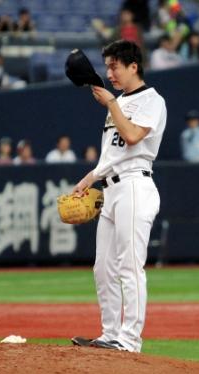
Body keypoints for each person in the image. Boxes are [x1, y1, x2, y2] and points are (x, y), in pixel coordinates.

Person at [71, 40, 167, 352]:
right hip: (110, 189)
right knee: (103, 267)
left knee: (129, 266)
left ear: (133, 66)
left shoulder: (152, 100)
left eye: (115, 66)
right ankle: (110, 333)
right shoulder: (119, 101)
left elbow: (133, 136)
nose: (109, 72)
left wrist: (112, 104)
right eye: (108, 66)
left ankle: (129, 340)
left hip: (135, 187)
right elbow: (113, 154)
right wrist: (90, 178)